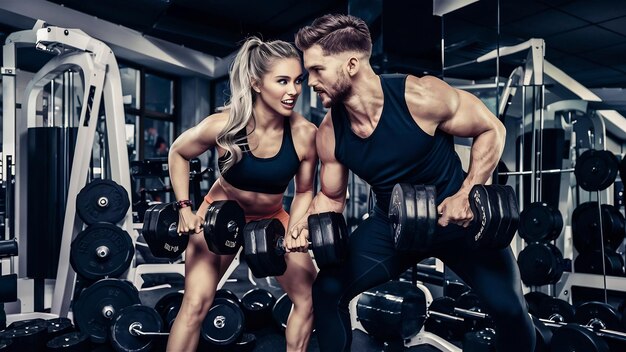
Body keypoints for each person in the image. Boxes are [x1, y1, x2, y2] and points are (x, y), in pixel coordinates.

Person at [290, 14, 535, 352]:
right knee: (327, 289)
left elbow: (492, 128)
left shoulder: (420, 97)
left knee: (510, 310)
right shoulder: (331, 133)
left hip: (457, 222)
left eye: (317, 70)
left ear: (350, 64)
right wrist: (306, 225)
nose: (310, 81)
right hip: (391, 226)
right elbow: (331, 197)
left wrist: (468, 192)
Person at [167, 37, 318, 352]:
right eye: (282, 81)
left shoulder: (305, 135)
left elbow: (304, 191)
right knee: (195, 304)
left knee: (310, 297)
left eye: (298, 81)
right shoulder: (224, 126)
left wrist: (296, 228)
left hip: (273, 218)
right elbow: (178, 153)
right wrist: (184, 207)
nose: (293, 90)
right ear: (257, 84)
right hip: (219, 216)